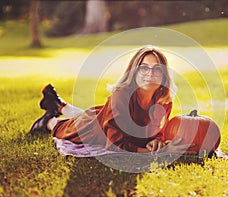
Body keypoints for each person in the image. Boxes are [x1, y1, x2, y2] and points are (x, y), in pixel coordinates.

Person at [30, 46, 190, 154]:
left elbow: (158, 131)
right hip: (94, 130)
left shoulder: (164, 100)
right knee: (64, 127)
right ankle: (49, 119)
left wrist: (156, 141)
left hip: (103, 116)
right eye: (144, 68)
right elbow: (114, 143)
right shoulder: (120, 96)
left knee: (92, 116)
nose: (150, 73)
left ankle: (58, 104)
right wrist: (147, 152)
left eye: (157, 68)